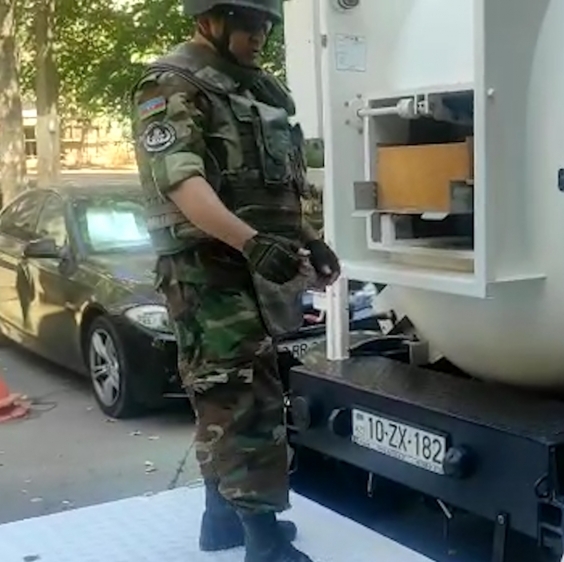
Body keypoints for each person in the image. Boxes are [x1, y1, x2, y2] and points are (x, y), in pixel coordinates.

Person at [131, 1, 340, 560]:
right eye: (247, 21)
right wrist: (251, 243)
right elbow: (183, 186)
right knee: (243, 397)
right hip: (205, 269)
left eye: (266, 22)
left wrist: (310, 239)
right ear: (209, 20)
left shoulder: (253, 89)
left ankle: (222, 517)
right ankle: (263, 542)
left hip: (252, 263)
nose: (260, 33)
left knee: (224, 395)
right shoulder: (171, 85)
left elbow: (276, 186)